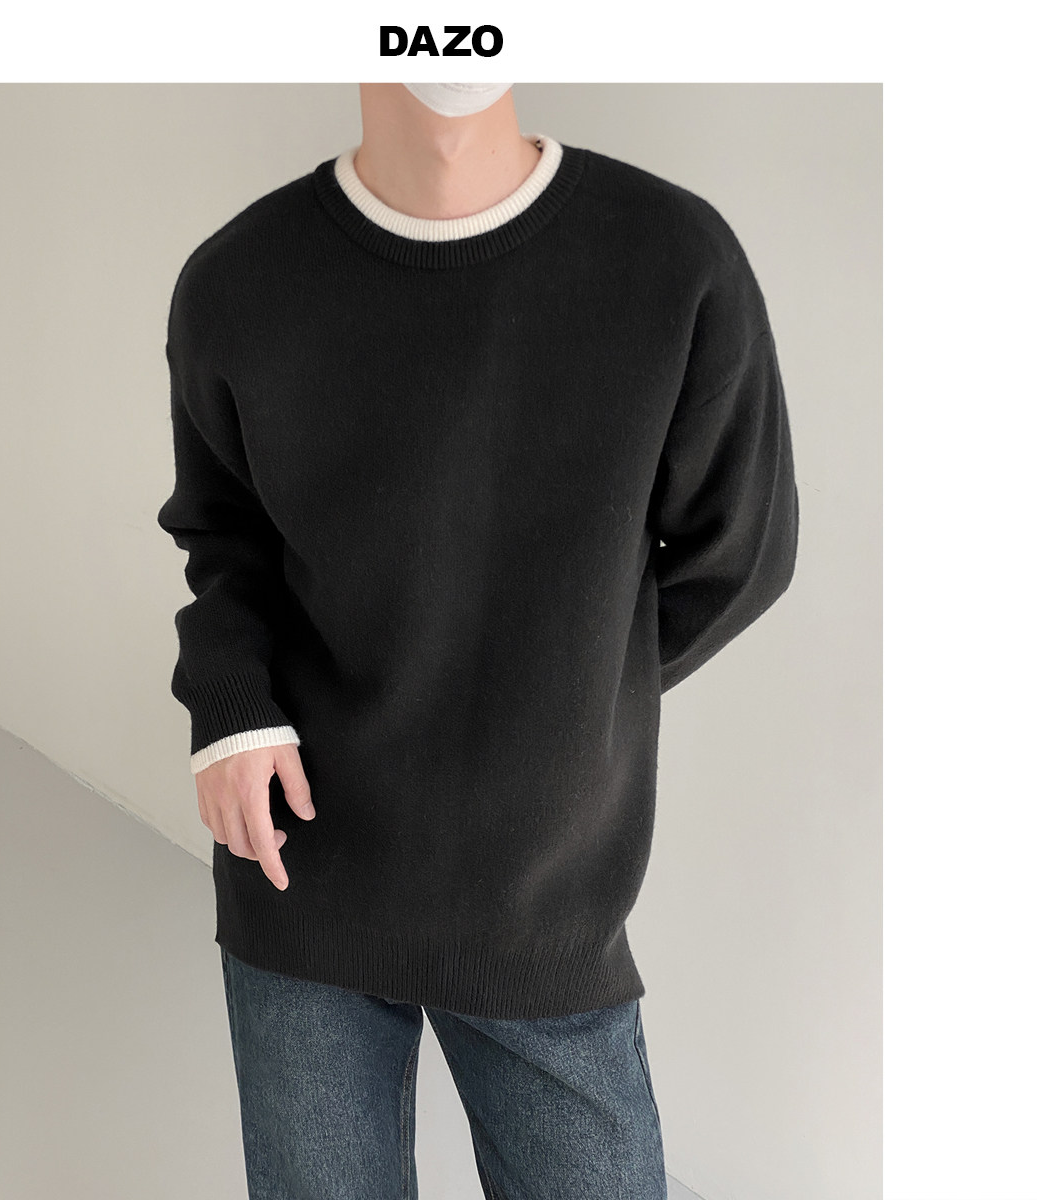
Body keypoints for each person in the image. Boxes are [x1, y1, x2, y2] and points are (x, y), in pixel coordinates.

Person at [156, 81, 799, 1200]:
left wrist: (568, 693)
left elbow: (739, 553)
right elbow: (223, 536)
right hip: (301, 865)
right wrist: (230, 708)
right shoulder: (238, 280)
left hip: (545, 894)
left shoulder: (672, 262)